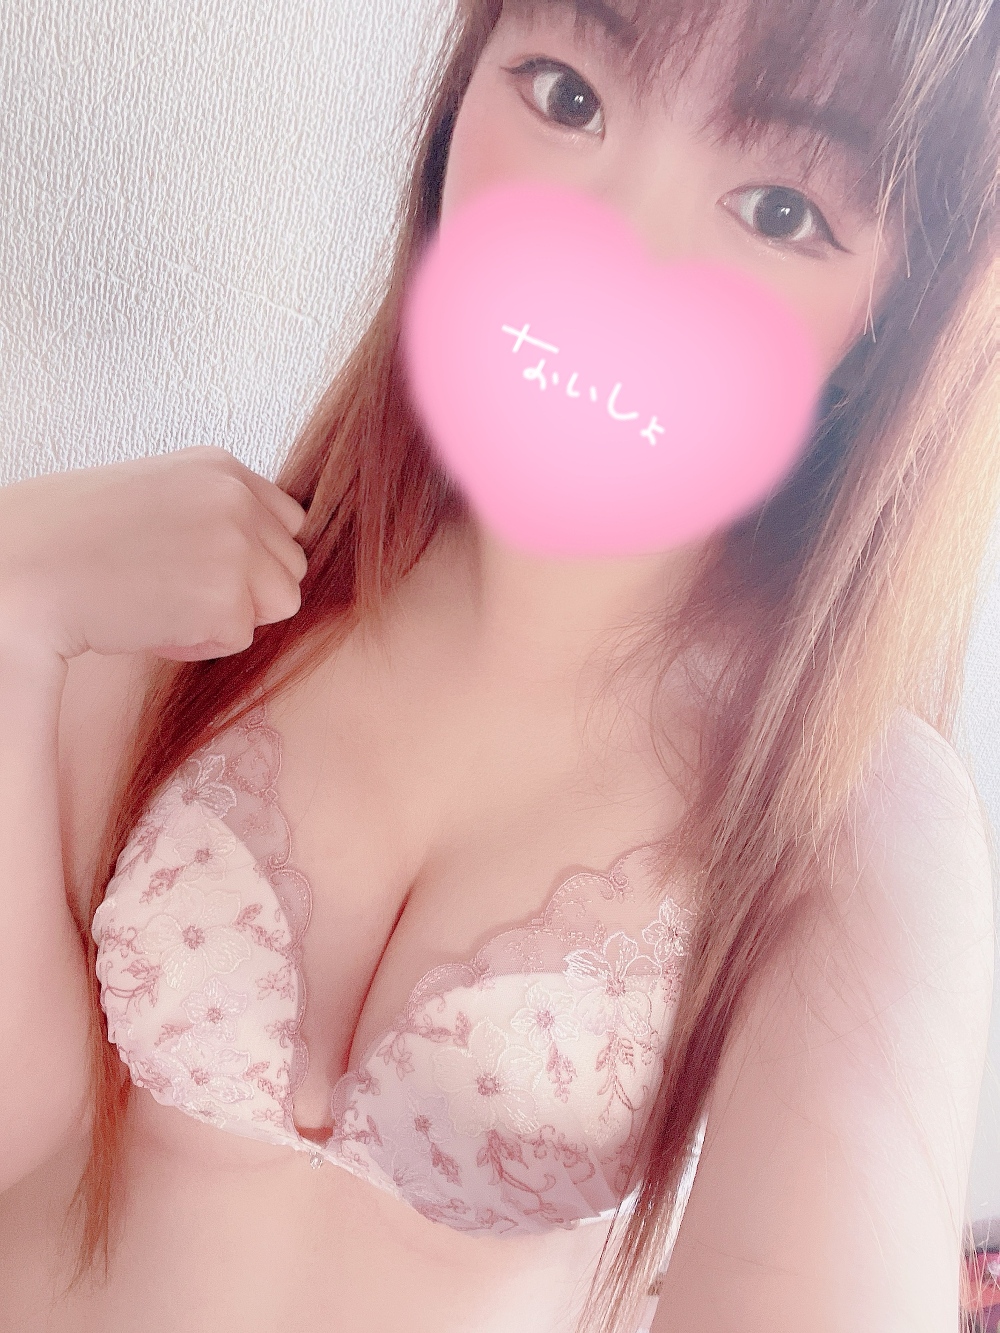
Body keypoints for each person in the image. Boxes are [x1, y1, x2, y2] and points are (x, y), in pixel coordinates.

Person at [0, 0, 995, 1329]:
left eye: (779, 209)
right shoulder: (188, 592)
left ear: (888, 324)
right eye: (568, 95)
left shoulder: (848, 818)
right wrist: (11, 598)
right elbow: (25, 1137)